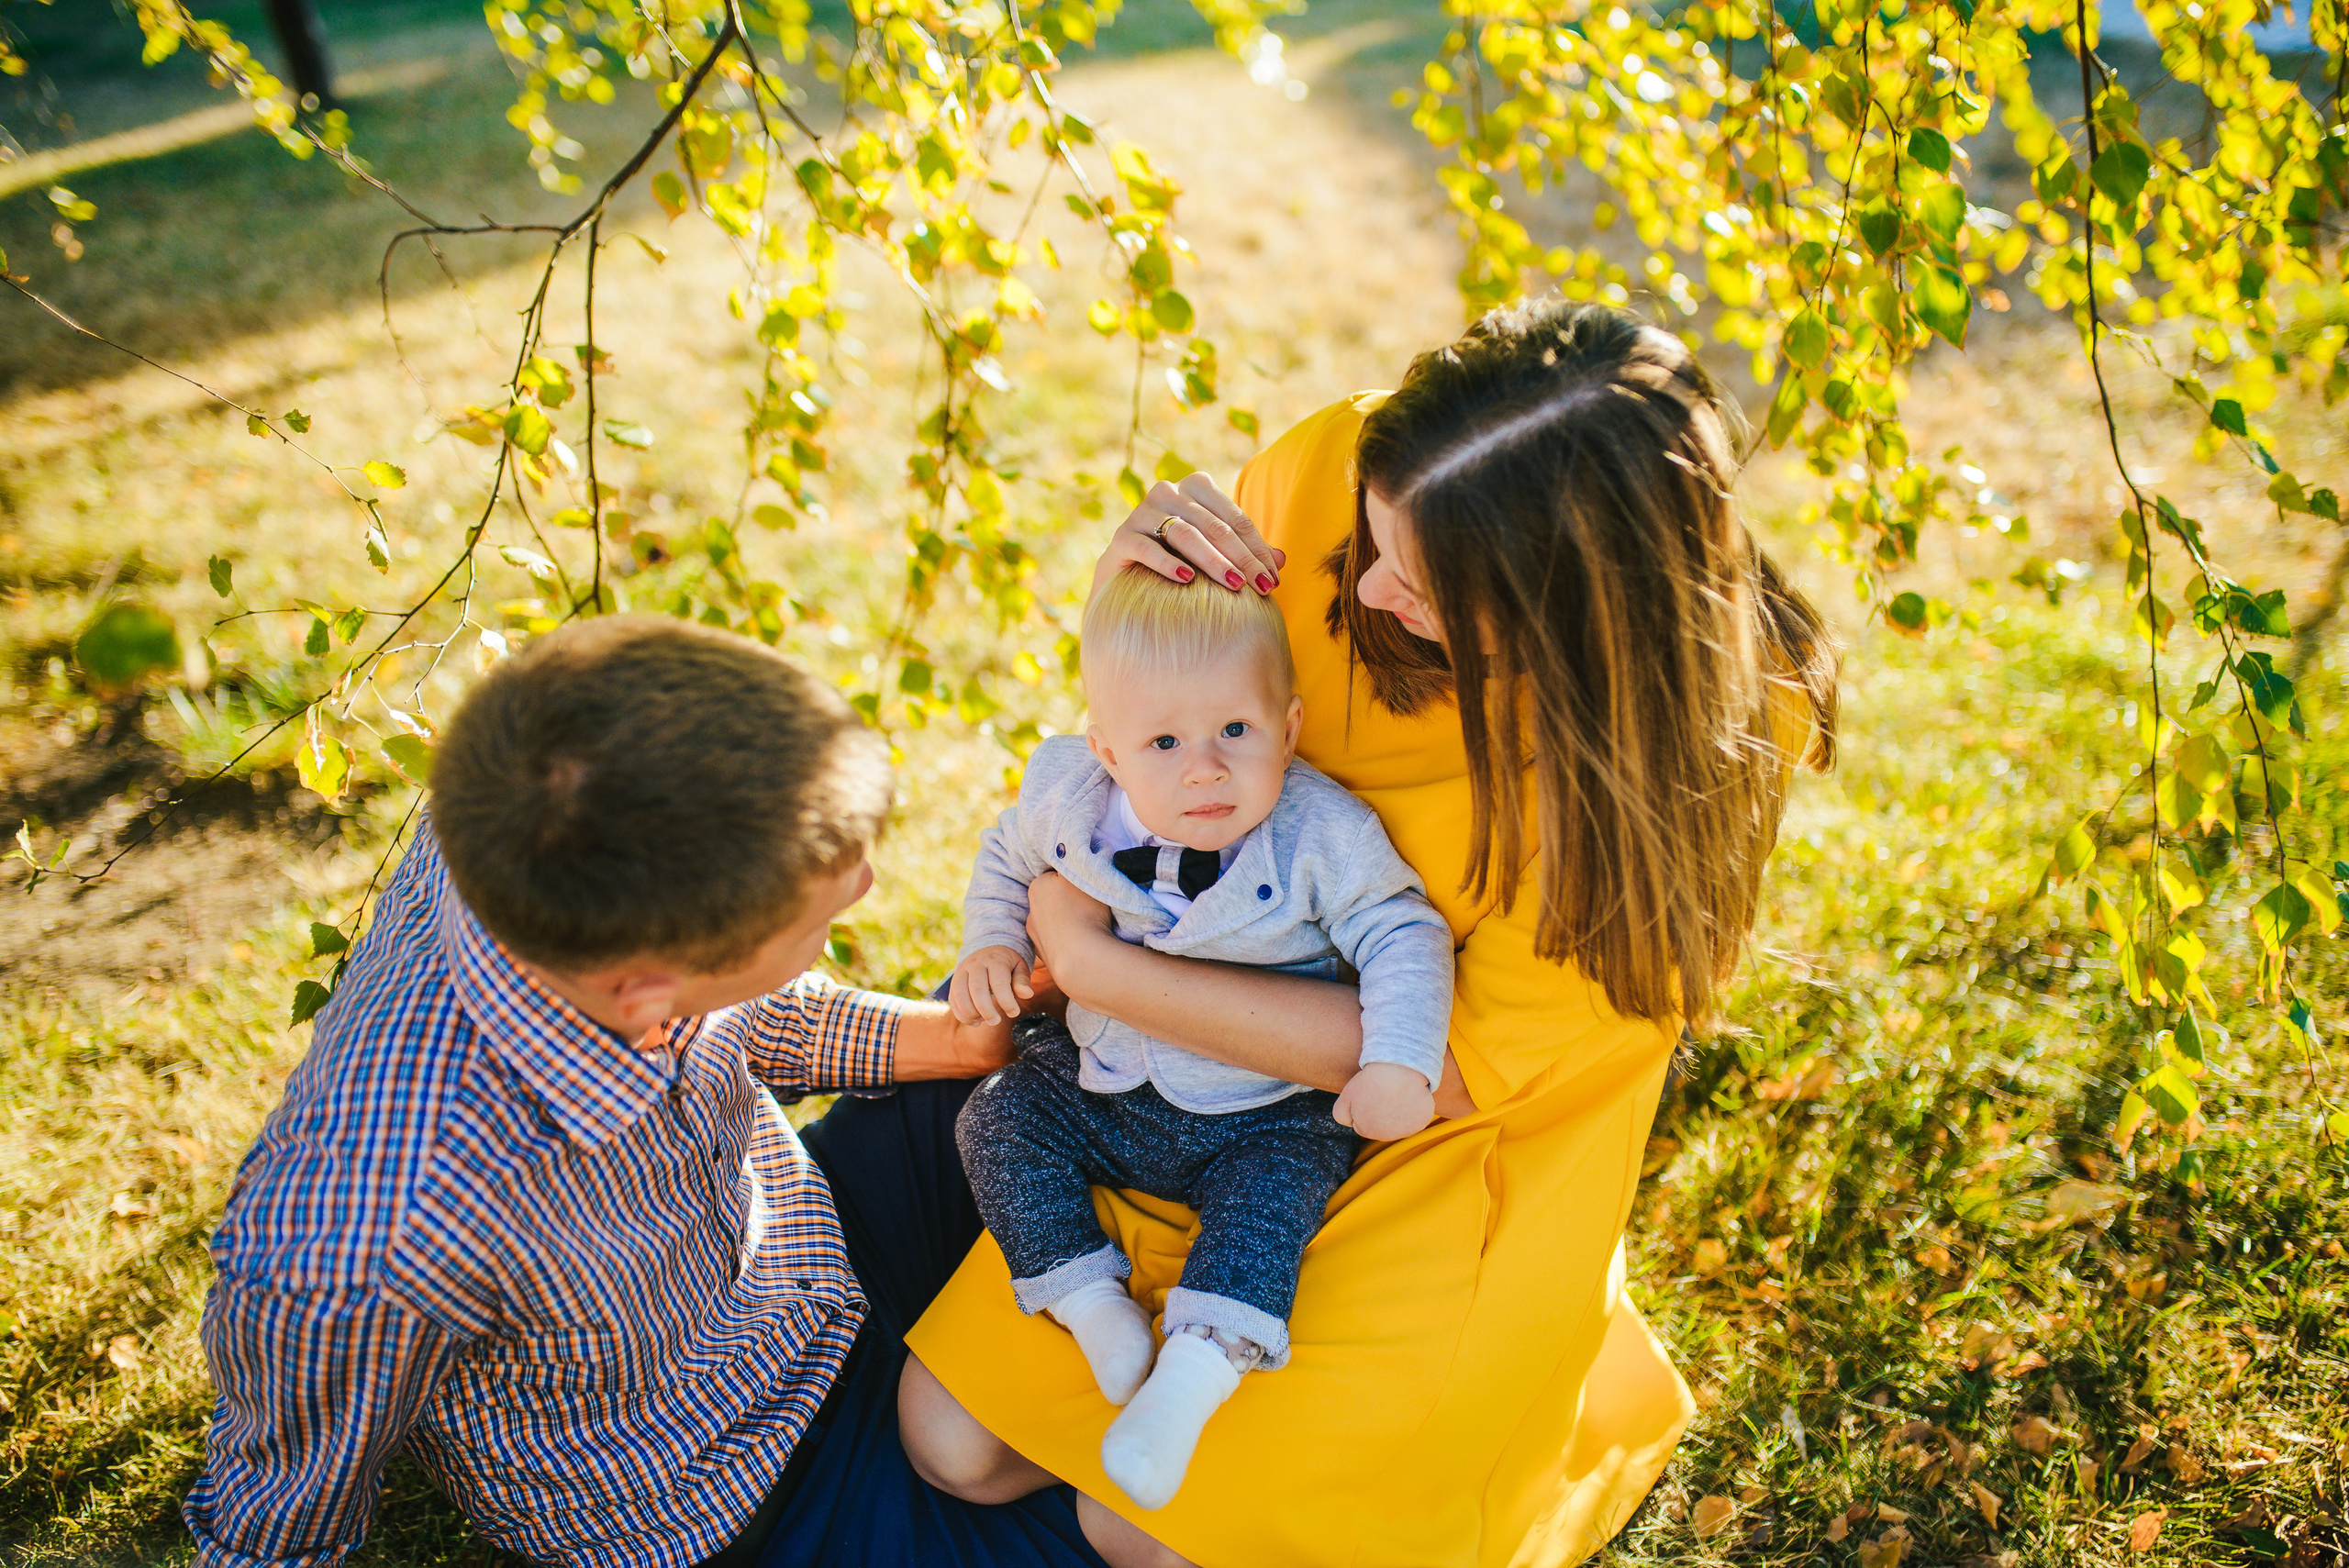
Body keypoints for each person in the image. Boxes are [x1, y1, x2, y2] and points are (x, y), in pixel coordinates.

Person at [898, 297, 1841, 1568]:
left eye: (1433, 582)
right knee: (950, 1443)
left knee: (1144, 1531)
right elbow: (1170, 728)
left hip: (1428, 1130)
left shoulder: (1679, 770)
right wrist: (1128, 607)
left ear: (1577, 608)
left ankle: (1523, 1392)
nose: (1378, 588)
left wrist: (1100, 964)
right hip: (1186, 1065)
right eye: (1377, 537)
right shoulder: (1343, 476)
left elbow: (1439, 1072)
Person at [182, 617, 1104, 1568]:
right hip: (748, 1493)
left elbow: (746, 1005)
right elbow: (272, 1524)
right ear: (645, 993)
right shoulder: (384, 1221)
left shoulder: (543, 804)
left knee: (1112, 1057)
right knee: (1181, 1530)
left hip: (813, 1250)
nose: (866, 883)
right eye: (815, 920)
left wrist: (971, 1040)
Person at [948, 565, 1453, 1509]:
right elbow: (1005, 855)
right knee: (995, 1120)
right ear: (1106, 747)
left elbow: (1402, 929)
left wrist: (1399, 1060)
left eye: (1236, 730)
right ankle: (1089, 1300)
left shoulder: (1320, 831)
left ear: (1289, 728)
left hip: (1259, 1109)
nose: (1204, 767)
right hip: (1104, 1079)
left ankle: (1192, 1377)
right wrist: (991, 937)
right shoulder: (1071, 796)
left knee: (1271, 1211)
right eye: (1164, 741)